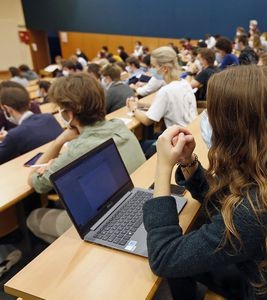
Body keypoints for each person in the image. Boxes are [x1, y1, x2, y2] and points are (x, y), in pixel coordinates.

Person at [143, 65, 267, 299]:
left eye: (212, 113)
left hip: (265, 288)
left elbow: (165, 257)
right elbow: (226, 204)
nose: (207, 119)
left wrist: (163, 166)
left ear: (233, 128)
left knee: (179, 258)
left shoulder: (255, 209)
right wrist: (188, 163)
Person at [26, 73, 145, 243]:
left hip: (103, 221)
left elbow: (35, 182)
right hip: (133, 201)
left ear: (69, 114)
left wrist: (59, 141)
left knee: (33, 217)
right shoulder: (118, 124)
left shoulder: (78, 149)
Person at [127, 46, 197, 128]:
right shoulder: (184, 83)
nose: (151, 70)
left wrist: (133, 108)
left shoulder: (166, 91)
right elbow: (170, 107)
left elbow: (147, 120)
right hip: (192, 131)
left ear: (164, 68)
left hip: (179, 137)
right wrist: (142, 105)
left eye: (153, 66)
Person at [0, 84, 62, 164]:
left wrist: (8, 139)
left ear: (8, 109)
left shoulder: (14, 134)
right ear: (29, 103)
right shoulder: (49, 117)